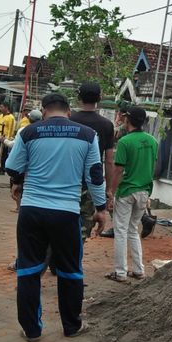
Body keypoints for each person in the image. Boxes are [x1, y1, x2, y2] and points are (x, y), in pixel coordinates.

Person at [5, 92, 107, 342]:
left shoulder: (29, 132)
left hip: (32, 210)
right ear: (68, 111)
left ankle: (32, 330)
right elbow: (95, 175)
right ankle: (72, 326)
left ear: (44, 109)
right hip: (67, 213)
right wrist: (101, 208)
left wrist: (18, 182)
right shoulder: (87, 135)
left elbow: (12, 166)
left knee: (28, 270)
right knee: (70, 270)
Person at [105, 106, 157, 283]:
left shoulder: (126, 142)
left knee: (120, 231)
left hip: (127, 191)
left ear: (128, 120)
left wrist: (111, 191)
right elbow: (153, 166)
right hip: (144, 190)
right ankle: (139, 270)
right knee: (133, 230)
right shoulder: (152, 141)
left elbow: (118, 170)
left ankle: (120, 272)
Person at [69, 82, 116, 242]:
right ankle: (73, 261)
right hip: (90, 184)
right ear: (99, 98)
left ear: (79, 97)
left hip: (66, 179)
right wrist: (108, 189)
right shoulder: (107, 125)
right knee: (81, 228)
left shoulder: (69, 119)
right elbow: (109, 161)